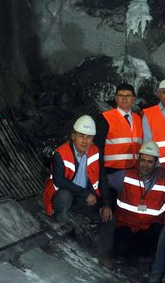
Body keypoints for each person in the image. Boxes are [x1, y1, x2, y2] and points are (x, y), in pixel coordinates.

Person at [42, 115, 115, 269]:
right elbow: (59, 181)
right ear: (73, 135)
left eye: (89, 137)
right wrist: (85, 193)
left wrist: (106, 203)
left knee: (109, 218)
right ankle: (58, 219)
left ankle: (104, 255)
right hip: (64, 197)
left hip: (84, 200)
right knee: (65, 195)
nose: (85, 141)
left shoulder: (95, 152)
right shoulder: (60, 153)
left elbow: (102, 179)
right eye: (81, 136)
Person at [113, 141, 165, 259]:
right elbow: (103, 182)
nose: (145, 165)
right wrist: (105, 204)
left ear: (156, 163)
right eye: (143, 160)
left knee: (150, 247)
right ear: (138, 160)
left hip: (150, 228)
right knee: (122, 250)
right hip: (126, 226)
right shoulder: (124, 175)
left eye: (150, 162)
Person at [94, 83, 143, 194]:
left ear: (134, 99)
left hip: (134, 171)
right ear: (116, 98)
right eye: (121, 95)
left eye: (128, 96)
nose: (124, 98)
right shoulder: (105, 118)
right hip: (111, 172)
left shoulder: (139, 119)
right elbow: (98, 148)